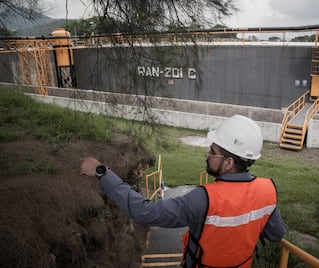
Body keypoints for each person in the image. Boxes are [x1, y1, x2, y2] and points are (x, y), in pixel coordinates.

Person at [80, 114, 285, 267]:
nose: (206, 155)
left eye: (212, 152)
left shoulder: (204, 199)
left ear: (229, 162)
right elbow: (275, 234)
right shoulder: (268, 190)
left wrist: (102, 173)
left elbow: (145, 213)